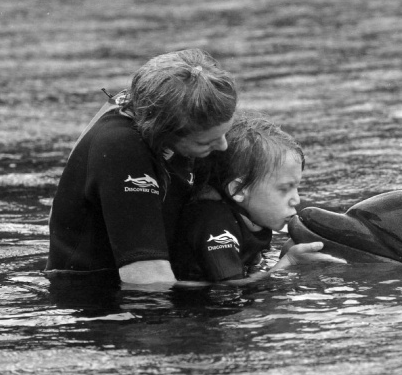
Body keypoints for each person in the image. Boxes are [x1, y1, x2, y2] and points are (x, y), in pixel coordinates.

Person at [45, 48, 237, 286]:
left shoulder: (186, 118)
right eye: (205, 142)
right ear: (162, 131)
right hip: (98, 296)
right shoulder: (120, 147)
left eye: (225, 132)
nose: (223, 146)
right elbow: (148, 280)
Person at [173, 112, 340, 285]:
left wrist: (286, 253)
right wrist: (289, 262)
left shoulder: (253, 215)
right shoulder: (214, 223)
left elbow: (251, 268)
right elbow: (229, 286)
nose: (296, 200)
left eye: (296, 188)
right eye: (284, 189)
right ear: (238, 190)